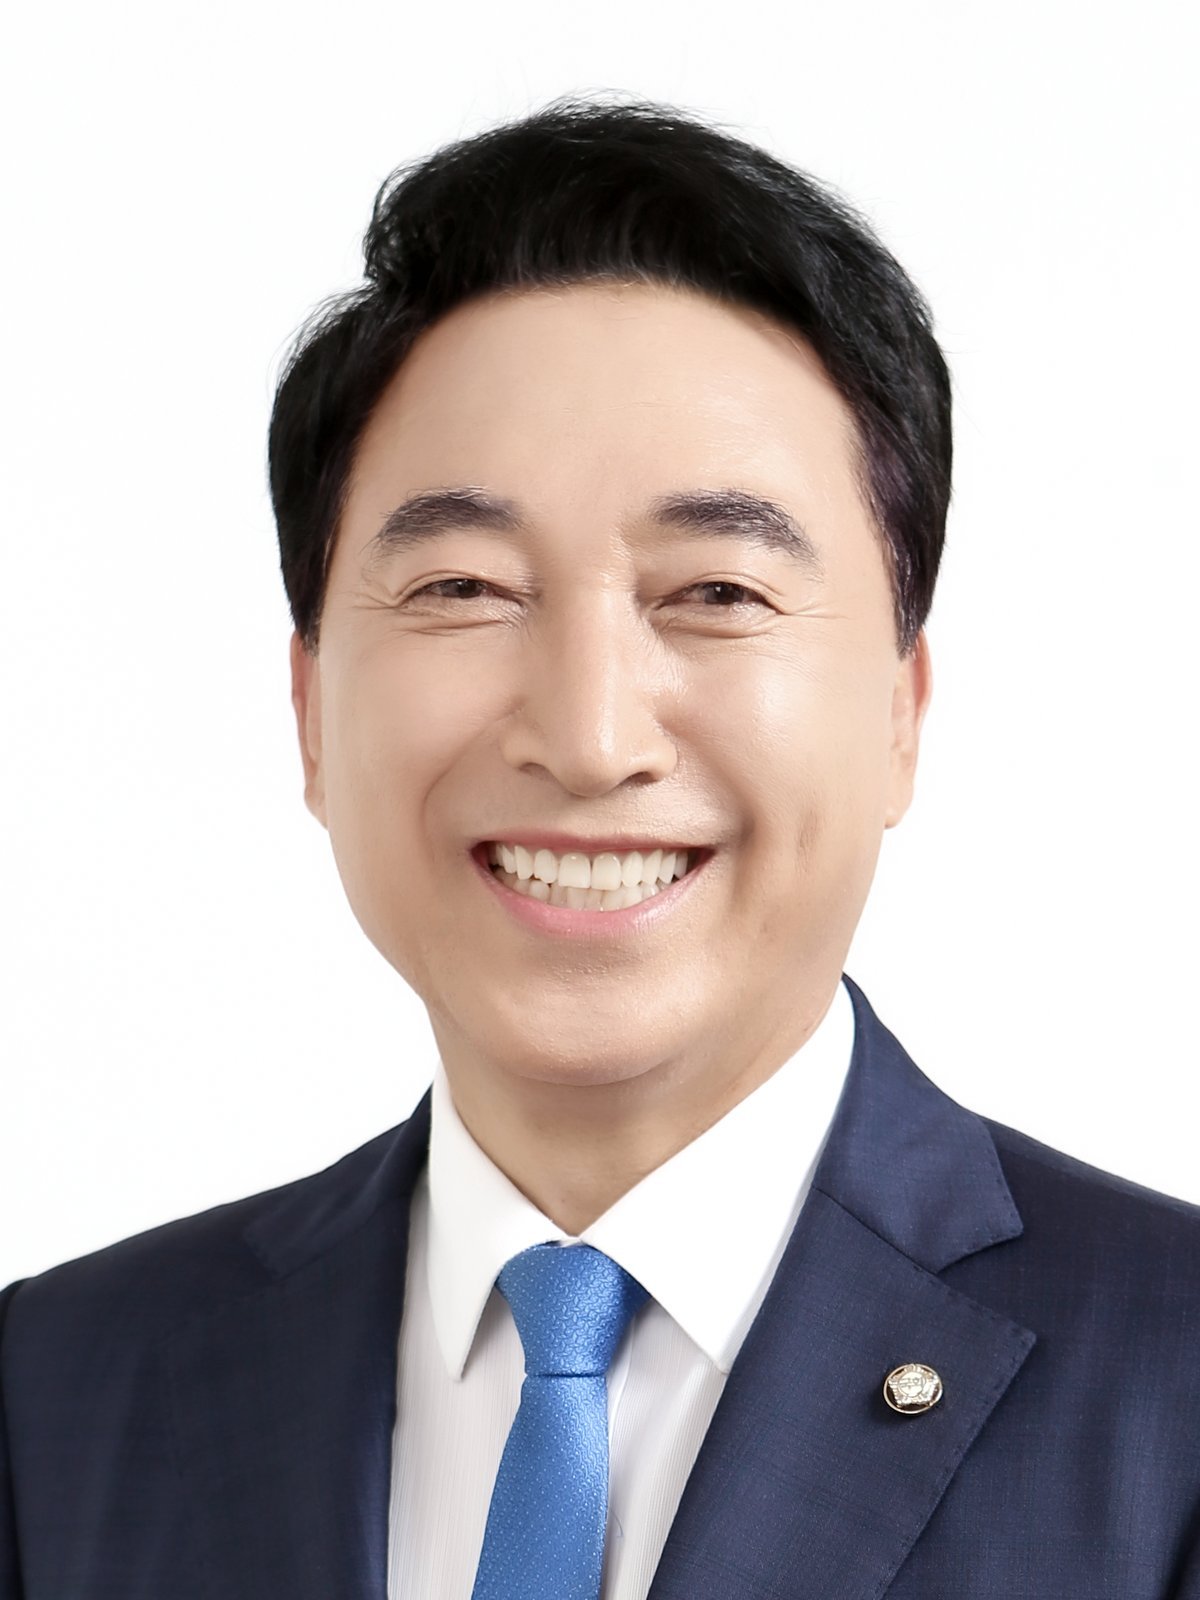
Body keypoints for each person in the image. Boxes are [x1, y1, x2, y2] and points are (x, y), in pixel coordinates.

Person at [2, 95, 1198, 1600]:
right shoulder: (56, 1395)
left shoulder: (1172, 1391)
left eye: (716, 593)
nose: (588, 735)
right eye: (463, 590)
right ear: (310, 713)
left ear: (901, 710)